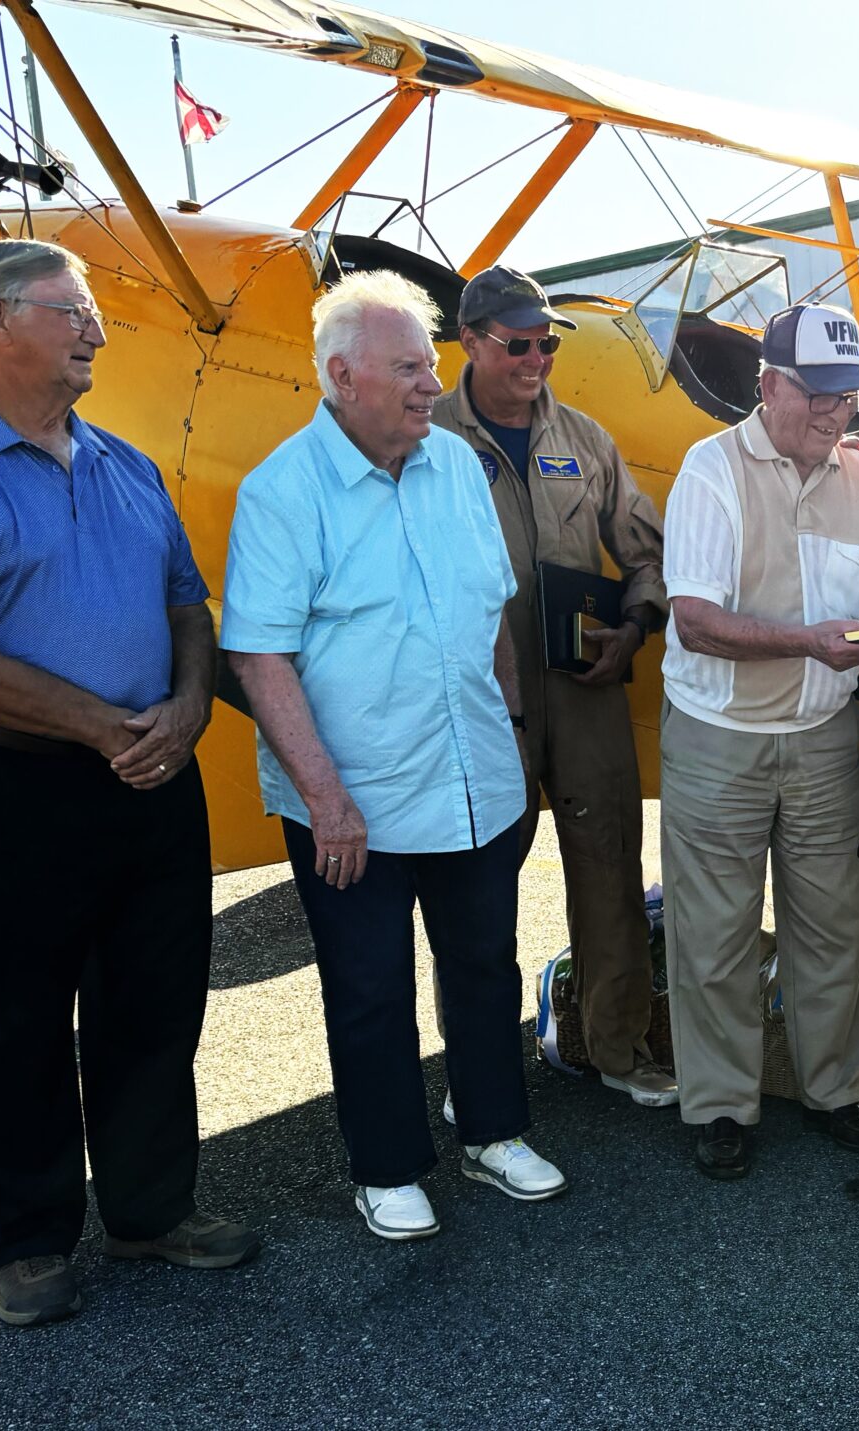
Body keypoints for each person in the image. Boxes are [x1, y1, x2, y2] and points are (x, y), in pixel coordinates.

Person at [0, 238, 255, 1326]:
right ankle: (31, 1241)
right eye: (72, 310)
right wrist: (104, 729)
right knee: (10, 1019)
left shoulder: (127, 464)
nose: (94, 329)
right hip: (16, 788)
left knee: (153, 1006)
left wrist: (183, 711)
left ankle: (149, 1214)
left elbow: (189, 605)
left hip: (150, 778)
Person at [222, 271, 561, 1242]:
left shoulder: (455, 464)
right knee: (370, 989)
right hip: (353, 800)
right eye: (409, 366)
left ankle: (493, 1131)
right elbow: (259, 652)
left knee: (485, 968)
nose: (429, 382)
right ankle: (387, 1168)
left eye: (428, 362)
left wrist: (506, 730)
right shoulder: (283, 491)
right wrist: (325, 799)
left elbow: (491, 605)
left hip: (471, 781)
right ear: (342, 376)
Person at [658, 303, 859, 1180]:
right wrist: (808, 641)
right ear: (769, 385)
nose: (837, 413)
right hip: (718, 739)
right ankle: (722, 1106)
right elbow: (693, 621)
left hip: (818, 741)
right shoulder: (712, 468)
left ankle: (837, 1089)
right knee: (715, 934)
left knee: (833, 925)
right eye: (819, 394)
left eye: (851, 396)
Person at [432, 266, 675, 1109]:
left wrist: (636, 629)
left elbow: (646, 553)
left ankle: (619, 1048)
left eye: (547, 342)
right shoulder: (424, 438)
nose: (537, 357)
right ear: (469, 341)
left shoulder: (586, 438)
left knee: (609, 870)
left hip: (585, 693)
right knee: (474, 898)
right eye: (517, 343)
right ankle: (480, 1073)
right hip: (473, 698)